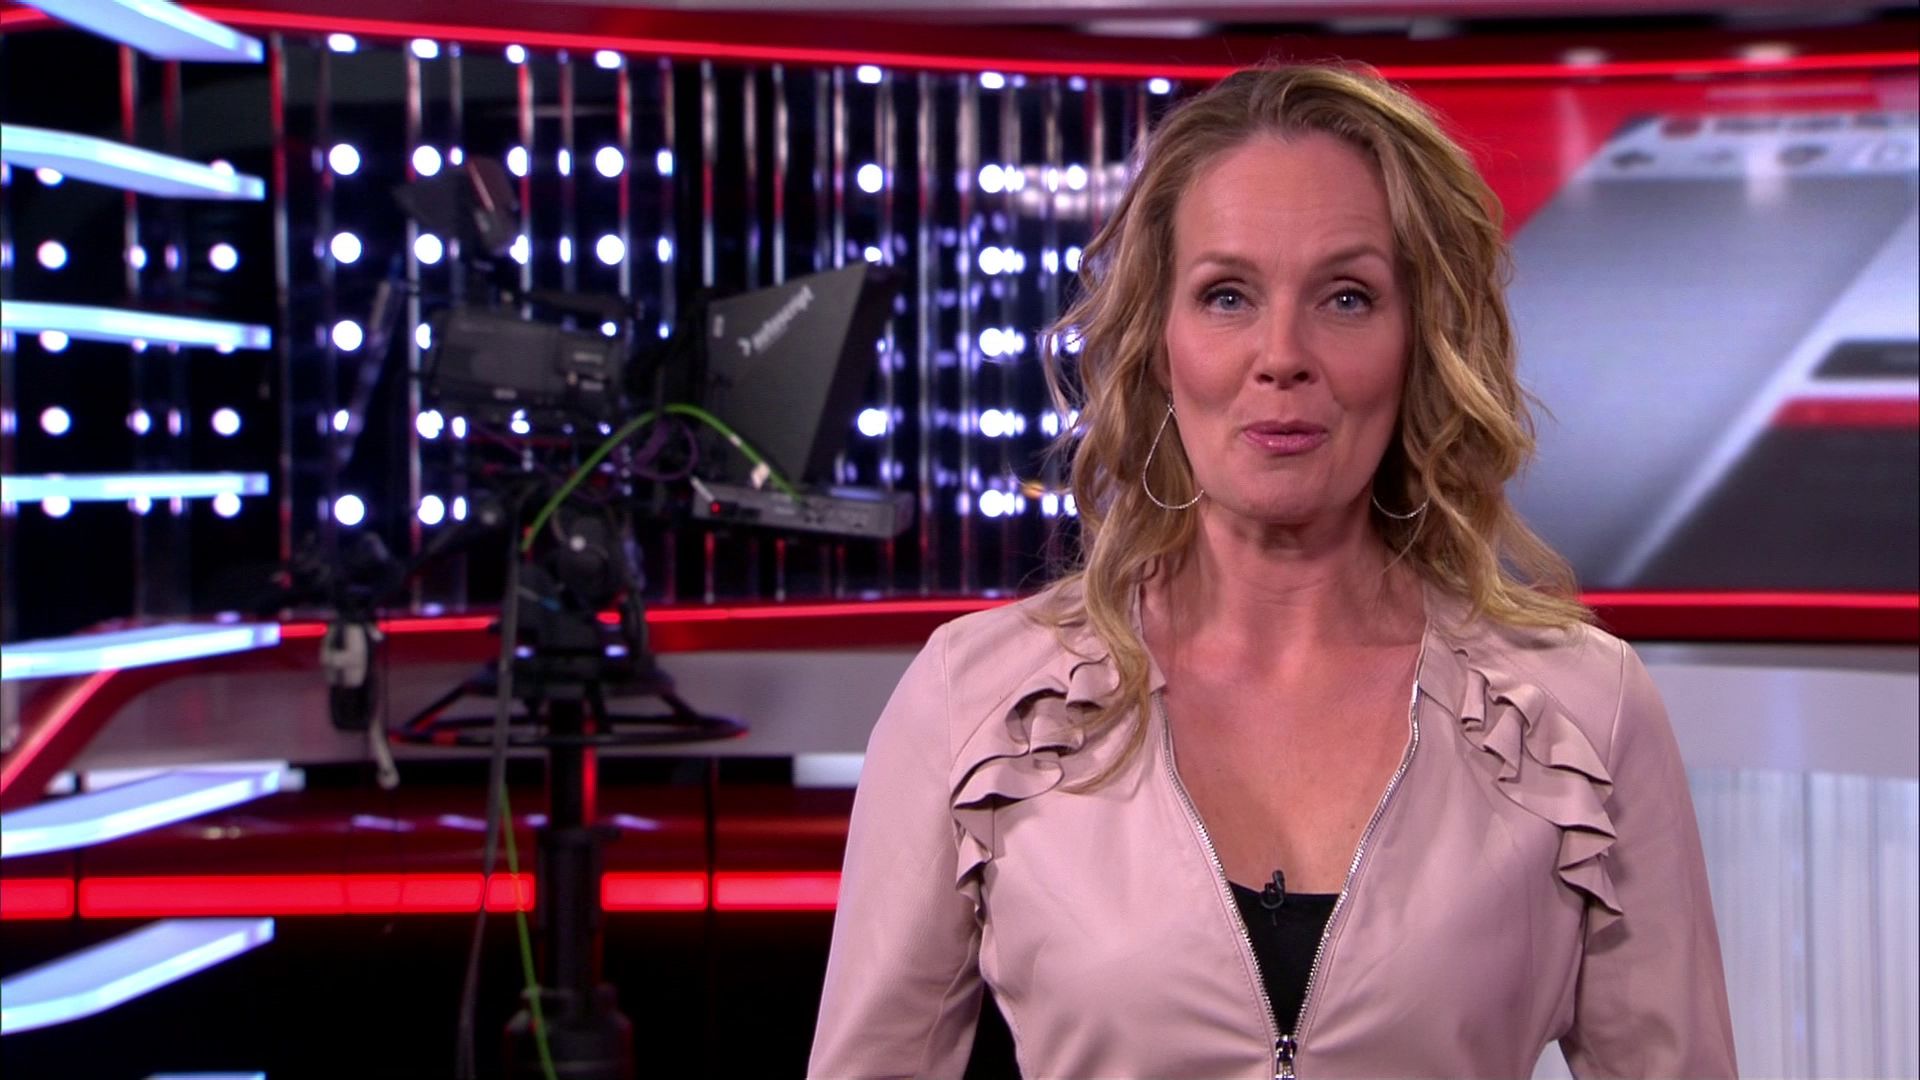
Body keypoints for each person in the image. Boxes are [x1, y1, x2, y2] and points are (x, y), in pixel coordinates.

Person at [808, 63, 1736, 1079]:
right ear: (1158, 343)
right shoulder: (976, 703)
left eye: (1347, 297)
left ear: (1421, 340)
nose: (1282, 354)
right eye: (1227, 296)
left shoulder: (1582, 713)